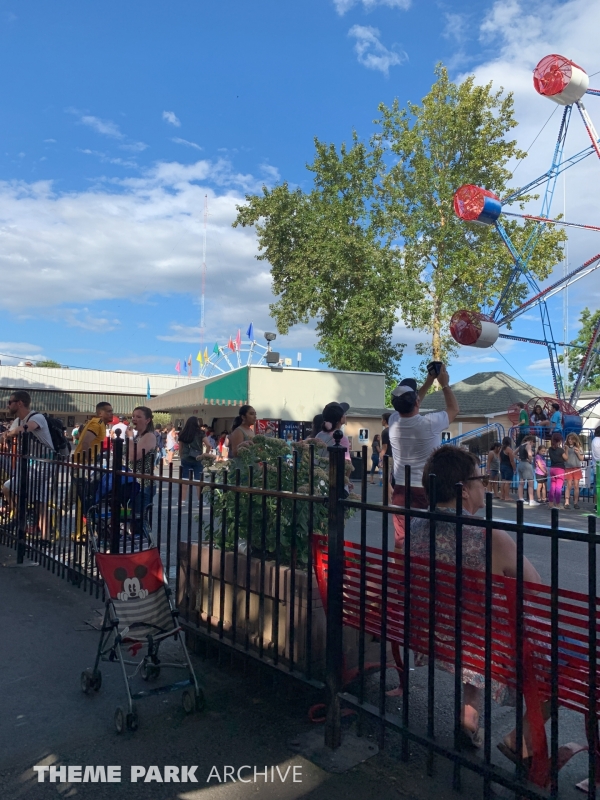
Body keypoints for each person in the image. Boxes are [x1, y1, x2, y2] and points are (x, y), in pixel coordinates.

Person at [409, 445, 543, 754]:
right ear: (464, 491)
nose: (485, 485)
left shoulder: (414, 527)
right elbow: (535, 587)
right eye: (480, 479)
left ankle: (469, 718)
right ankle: (520, 741)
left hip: (434, 633)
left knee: (475, 616)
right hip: (483, 642)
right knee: (569, 663)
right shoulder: (487, 536)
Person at [388, 365, 459, 550]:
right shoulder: (429, 423)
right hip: (425, 487)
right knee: (427, 540)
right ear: (417, 402)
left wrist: (428, 381)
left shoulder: (393, 421)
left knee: (401, 539)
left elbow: (413, 402)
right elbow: (454, 409)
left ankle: (399, 567)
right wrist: (444, 384)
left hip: (401, 487)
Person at [0, 391, 56, 541]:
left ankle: (19, 518)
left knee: (8, 487)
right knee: (40, 502)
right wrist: (5, 437)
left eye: (10, 402)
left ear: (19, 403)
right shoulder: (17, 421)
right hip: (31, 463)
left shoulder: (36, 417)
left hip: (44, 463)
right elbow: (7, 435)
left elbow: (25, 428)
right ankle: (45, 538)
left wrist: (9, 434)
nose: (8, 405)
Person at [124, 407, 157, 537]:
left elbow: (134, 456)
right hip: (133, 482)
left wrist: (130, 438)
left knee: (140, 520)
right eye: (133, 416)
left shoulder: (149, 436)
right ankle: (137, 543)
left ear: (147, 420)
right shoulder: (139, 436)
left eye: (138, 417)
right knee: (133, 519)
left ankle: (147, 544)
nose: (134, 419)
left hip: (144, 484)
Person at [178, 417, 206, 502]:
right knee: (198, 479)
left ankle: (182, 500)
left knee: (185, 479)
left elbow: (180, 447)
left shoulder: (183, 433)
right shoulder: (200, 433)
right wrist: (205, 454)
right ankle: (200, 500)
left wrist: (182, 456)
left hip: (186, 457)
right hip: (198, 458)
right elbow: (208, 444)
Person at [563, 432, 583, 510]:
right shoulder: (566, 447)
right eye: (569, 439)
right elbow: (565, 458)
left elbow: (581, 458)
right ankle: (566, 502)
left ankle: (575, 502)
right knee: (568, 485)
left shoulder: (579, 447)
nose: (570, 440)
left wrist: (578, 453)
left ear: (575, 440)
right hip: (568, 468)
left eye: (572, 439)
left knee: (576, 485)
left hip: (577, 468)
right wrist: (566, 450)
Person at [548, 431, 568, 510]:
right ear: (559, 440)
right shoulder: (560, 450)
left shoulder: (550, 449)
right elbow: (566, 458)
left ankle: (550, 503)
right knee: (558, 488)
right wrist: (566, 450)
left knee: (552, 486)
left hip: (552, 468)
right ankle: (558, 504)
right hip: (560, 469)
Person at [517, 440, 537, 506]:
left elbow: (513, 453)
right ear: (531, 441)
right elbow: (530, 455)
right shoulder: (528, 445)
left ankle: (521, 498)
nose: (533, 445)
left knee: (521, 483)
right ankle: (531, 500)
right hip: (526, 464)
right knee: (530, 483)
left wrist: (519, 459)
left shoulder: (521, 446)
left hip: (521, 464)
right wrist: (530, 460)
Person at [499, 437, 516, 501]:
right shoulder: (509, 449)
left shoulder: (501, 449)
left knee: (503, 481)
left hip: (502, 465)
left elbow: (500, 459)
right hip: (508, 466)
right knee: (508, 482)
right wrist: (514, 468)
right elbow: (512, 460)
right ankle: (507, 496)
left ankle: (502, 496)